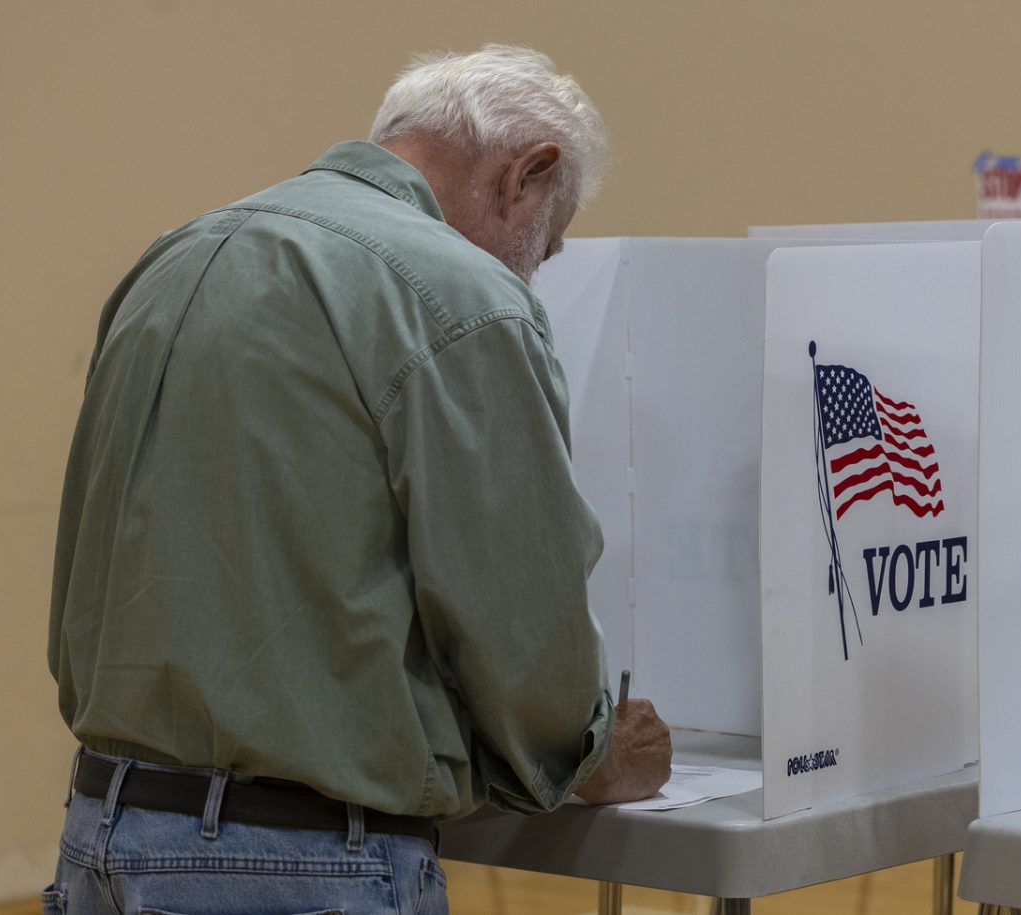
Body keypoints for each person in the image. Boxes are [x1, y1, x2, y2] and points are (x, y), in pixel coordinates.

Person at [45, 45, 671, 915]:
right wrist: (590, 750)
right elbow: (523, 626)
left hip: (100, 835)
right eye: (549, 244)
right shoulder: (461, 293)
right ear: (525, 175)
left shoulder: (176, 256)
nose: (534, 268)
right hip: (303, 862)